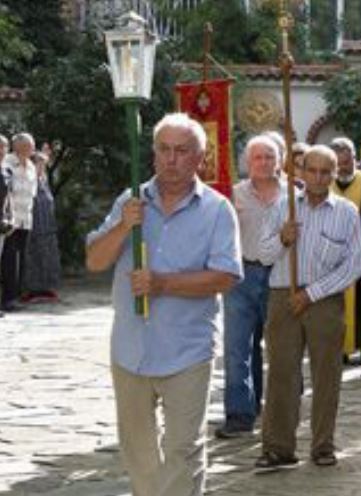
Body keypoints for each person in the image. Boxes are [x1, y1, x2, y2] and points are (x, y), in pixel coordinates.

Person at [86, 113, 242, 496]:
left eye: (182, 151)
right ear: (153, 154)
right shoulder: (131, 200)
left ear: (199, 158)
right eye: (164, 150)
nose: (171, 159)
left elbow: (226, 276)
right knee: (137, 448)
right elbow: (94, 261)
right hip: (131, 347)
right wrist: (124, 225)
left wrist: (163, 284)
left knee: (183, 449)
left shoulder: (218, 210)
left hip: (187, 349)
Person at [257, 144, 361, 468]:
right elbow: (261, 254)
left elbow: (354, 264)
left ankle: (322, 446)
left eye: (325, 171)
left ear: (334, 174)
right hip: (282, 296)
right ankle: (278, 447)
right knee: (281, 373)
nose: (318, 178)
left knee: (326, 374)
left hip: (324, 301)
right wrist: (282, 239)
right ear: (301, 172)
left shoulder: (347, 212)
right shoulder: (282, 207)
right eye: (312, 170)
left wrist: (312, 293)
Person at [216, 136, 285, 439]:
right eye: (257, 157)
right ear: (247, 162)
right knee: (237, 347)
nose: (263, 162)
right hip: (240, 277)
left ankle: (281, 409)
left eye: (269, 156)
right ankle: (240, 414)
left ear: (280, 160)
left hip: (279, 277)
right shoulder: (232, 195)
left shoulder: (293, 196)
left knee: (281, 346)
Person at [329, 137, 361, 365]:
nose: (343, 168)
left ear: (355, 160)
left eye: (347, 163)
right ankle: (339, 350)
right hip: (334, 256)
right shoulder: (326, 184)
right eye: (339, 164)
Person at [1, 133, 38, 312]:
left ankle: (14, 297)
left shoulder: (31, 166)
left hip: (26, 221)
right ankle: (7, 299)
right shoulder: (6, 163)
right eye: (29, 146)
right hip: (9, 222)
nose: (32, 149)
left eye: (32, 146)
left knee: (20, 261)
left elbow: (33, 193)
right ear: (18, 147)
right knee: (8, 261)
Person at [22, 149, 61, 303]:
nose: (42, 167)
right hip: (34, 225)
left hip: (48, 227)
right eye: (40, 164)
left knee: (48, 257)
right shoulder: (28, 180)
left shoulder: (44, 180)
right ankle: (32, 290)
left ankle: (47, 288)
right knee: (33, 257)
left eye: (44, 165)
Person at [0, 134, 10, 318]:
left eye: (4, 147)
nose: (1, 151)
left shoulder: (6, 171)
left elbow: (8, 197)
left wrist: (11, 217)